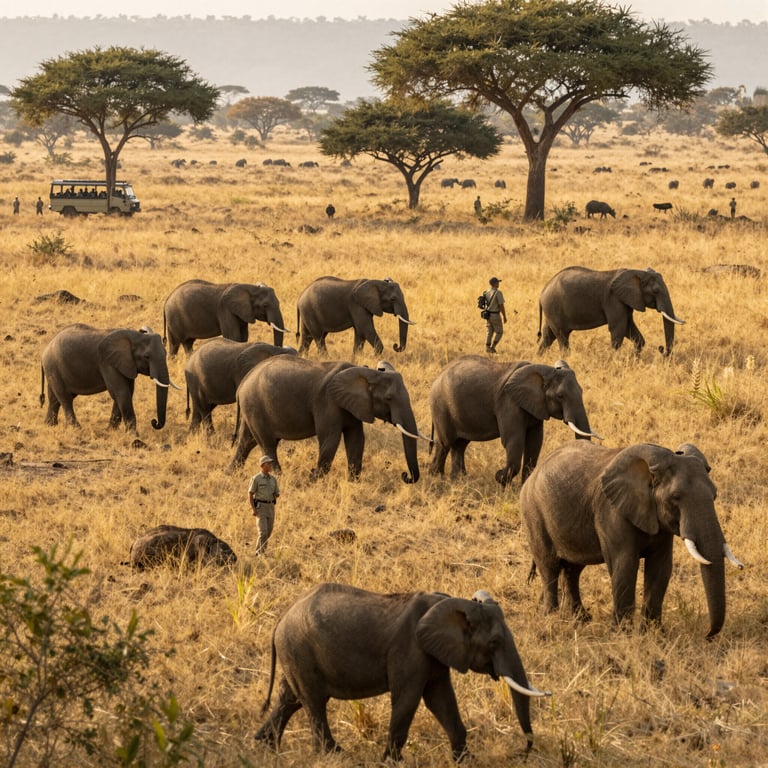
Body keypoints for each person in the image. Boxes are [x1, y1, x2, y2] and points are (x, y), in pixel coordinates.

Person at [248, 455, 281, 555]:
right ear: (262, 465)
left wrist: (276, 494)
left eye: (271, 463)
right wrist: (253, 509)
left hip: (270, 507)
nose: (270, 465)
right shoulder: (256, 479)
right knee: (263, 532)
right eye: (268, 463)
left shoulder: (273, 479)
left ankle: (261, 551)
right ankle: (260, 553)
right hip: (260, 507)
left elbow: (277, 492)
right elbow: (250, 494)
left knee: (269, 532)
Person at [482, 276, 507, 354]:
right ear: (494, 284)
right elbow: (501, 305)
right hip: (495, 314)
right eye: (497, 282)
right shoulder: (498, 293)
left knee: (489, 331)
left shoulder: (486, 291)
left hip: (488, 314)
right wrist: (504, 316)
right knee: (499, 332)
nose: (498, 283)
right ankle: (493, 347)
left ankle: (487, 347)